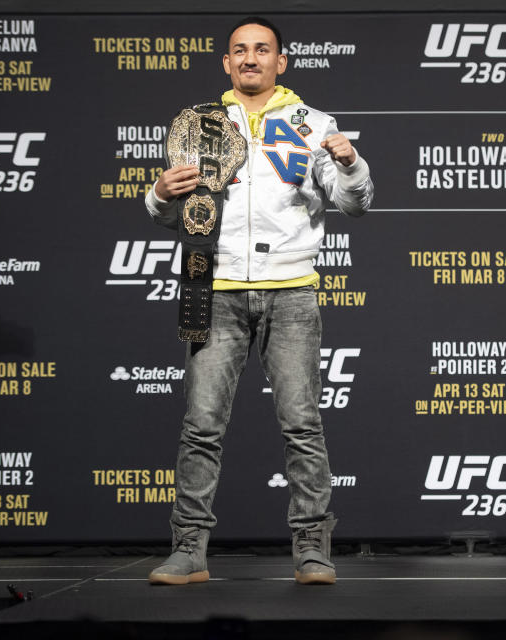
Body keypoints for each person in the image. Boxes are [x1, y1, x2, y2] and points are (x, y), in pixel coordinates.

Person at [143, 16, 373, 586]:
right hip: (214, 288)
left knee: (302, 424)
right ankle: (188, 552)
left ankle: (313, 553)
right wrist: (157, 194)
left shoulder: (313, 123)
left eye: (261, 50)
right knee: (200, 425)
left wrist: (349, 163)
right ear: (226, 63)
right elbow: (172, 214)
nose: (250, 59)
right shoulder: (199, 124)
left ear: (281, 61)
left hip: (291, 291)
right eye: (240, 51)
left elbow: (354, 204)